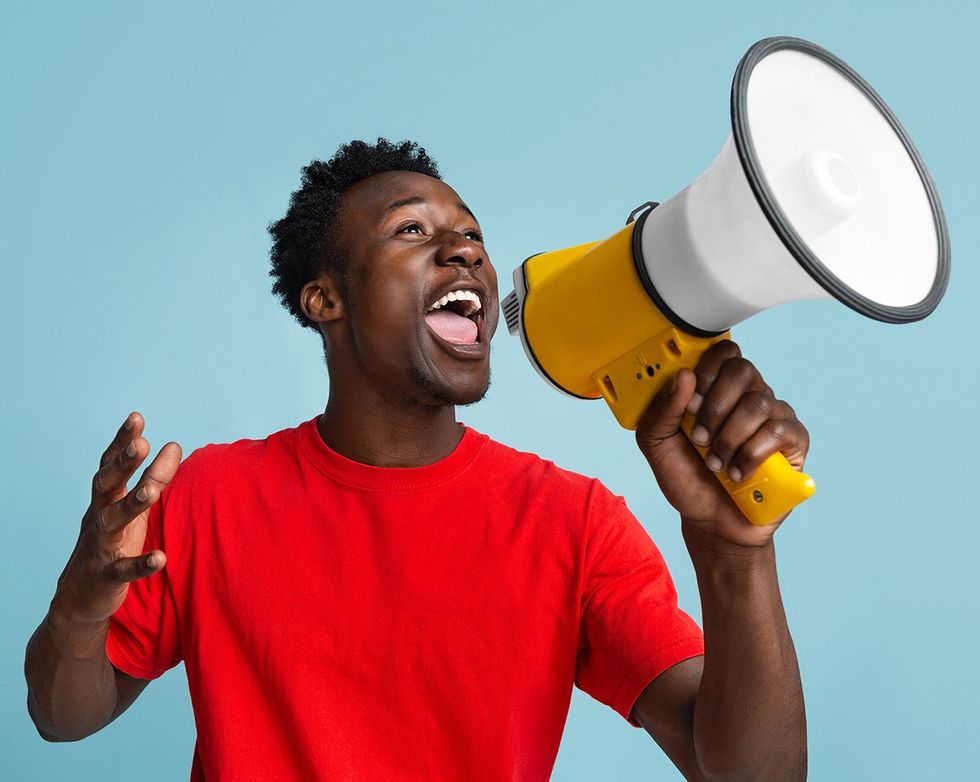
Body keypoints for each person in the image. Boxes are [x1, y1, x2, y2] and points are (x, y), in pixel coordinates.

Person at [25, 139, 808, 781]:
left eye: (472, 234)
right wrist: (79, 607)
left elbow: (750, 776)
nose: (464, 249)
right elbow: (63, 718)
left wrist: (736, 551)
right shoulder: (206, 496)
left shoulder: (575, 523)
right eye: (412, 231)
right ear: (324, 299)